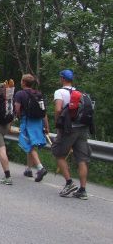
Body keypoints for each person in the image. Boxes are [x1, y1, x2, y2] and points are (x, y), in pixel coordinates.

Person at [52, 69, 91, 200]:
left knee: (59, 154)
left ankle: (69, 183)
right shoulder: (80, 93)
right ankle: (83, 190)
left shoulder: (59, 92)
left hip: (69, 129)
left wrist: (58, 124)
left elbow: (58, 109)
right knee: (82, 159)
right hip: (82, 129)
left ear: (62, 79)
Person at [14, 74, 49, 182]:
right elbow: (44, 112)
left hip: (27, 121)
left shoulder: (20, 94)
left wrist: (18, 118)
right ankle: (28, 169)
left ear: (24, 82)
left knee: (29, 145)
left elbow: (17, 109)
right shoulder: (38, 94)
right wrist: (46, 126)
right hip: (38, 122)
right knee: (31, 145)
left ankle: (40, 168)